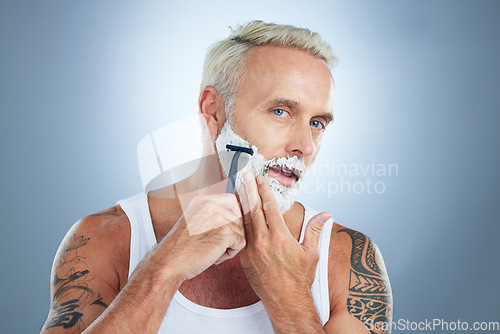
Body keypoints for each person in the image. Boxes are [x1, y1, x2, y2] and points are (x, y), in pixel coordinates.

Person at [41, 20, 393, 333]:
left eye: (317, 123)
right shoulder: (107, 239)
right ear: (213, 111)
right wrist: (164, 269)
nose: (305, 145)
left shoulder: (346, 258)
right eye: (281, 111)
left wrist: (291, 303)